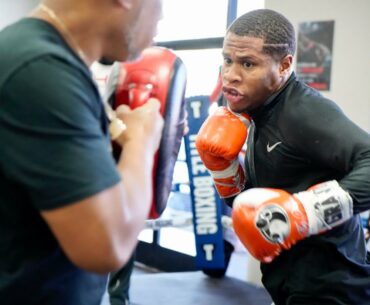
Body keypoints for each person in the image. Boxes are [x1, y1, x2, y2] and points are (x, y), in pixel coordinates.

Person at [196, 9, 370, 305]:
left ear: (284, 65)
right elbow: (257, 207)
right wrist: (224, 172)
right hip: (289, 280)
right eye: (227, 60)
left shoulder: (303, 112)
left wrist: (302, 212)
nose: (230, 75)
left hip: (333, 287)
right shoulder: (258, 113)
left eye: (248, 63)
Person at [0, 0, 164, 304]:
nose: (162, 15)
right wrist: (142, 139)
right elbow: (107, 245)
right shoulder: (40, 71)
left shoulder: (43, 58)